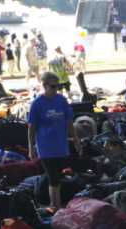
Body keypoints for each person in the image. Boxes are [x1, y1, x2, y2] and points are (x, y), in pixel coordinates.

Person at [27, 72, 76, 211]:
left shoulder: (61, 100)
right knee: (52, 177)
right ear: (44, 86)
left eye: (58, 86)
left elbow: (69, 121)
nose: (56, 90)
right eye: (53, 87)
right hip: (45, 146)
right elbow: (31, 128)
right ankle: (55, 205)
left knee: (58, 177)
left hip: (61, 145)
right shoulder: (37, 104)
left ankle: (56, 205)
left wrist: (76, 139)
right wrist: (31, 148)